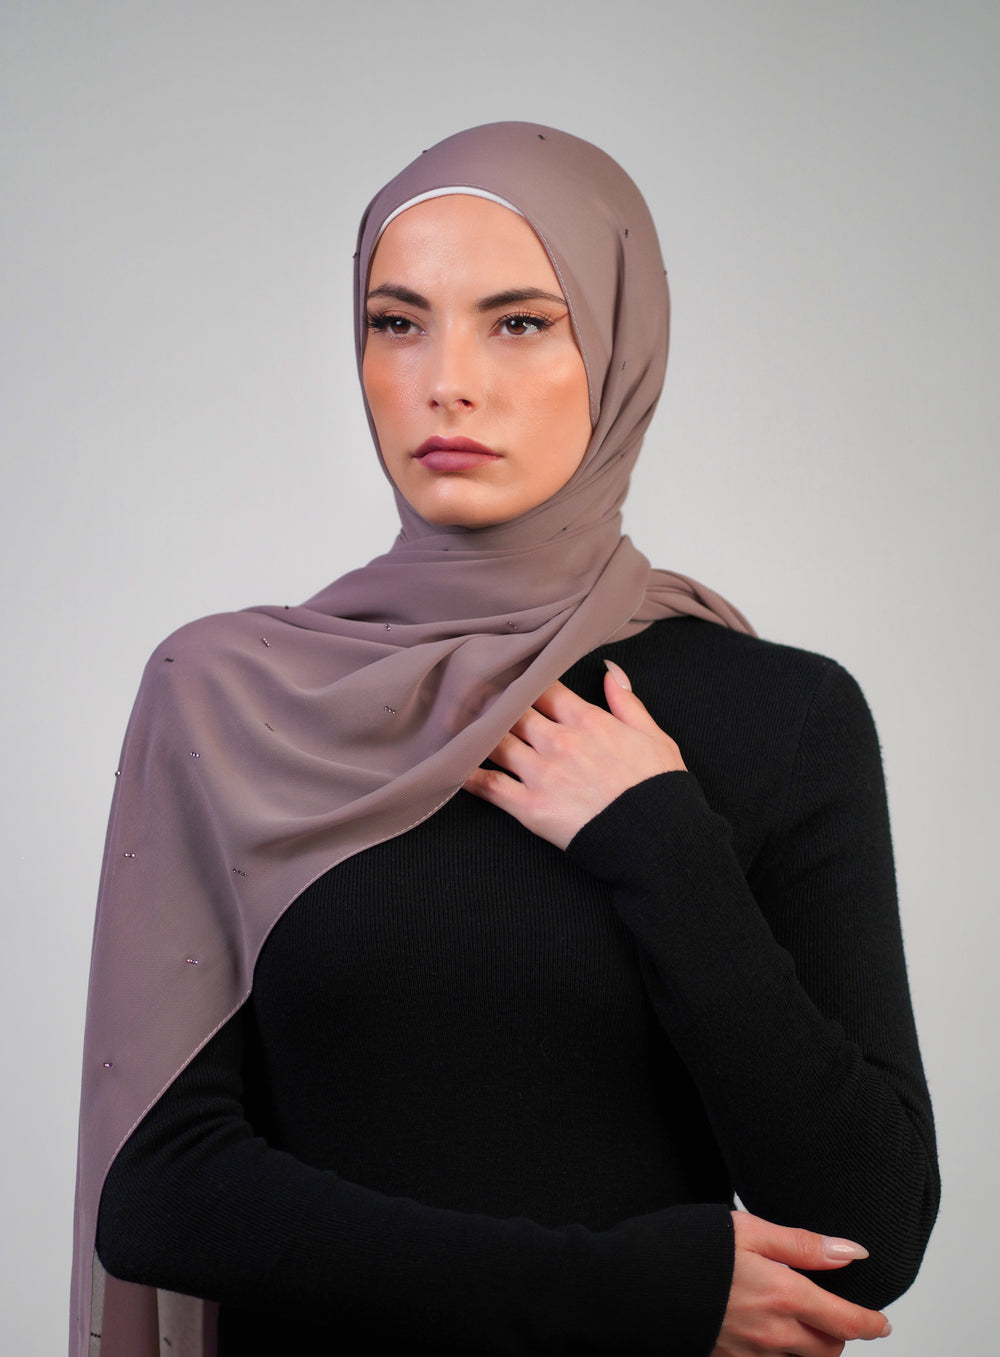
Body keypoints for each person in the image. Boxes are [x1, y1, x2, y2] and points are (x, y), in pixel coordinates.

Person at [72, 122, 938, 1357]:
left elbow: (868, 1229)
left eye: (520, 321)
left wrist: (662, 843)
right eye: (397, 321)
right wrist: (620, 1289)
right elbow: (158, 1193)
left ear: (619, 345)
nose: (447, 381)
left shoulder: (778, 715)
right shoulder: (229, 697)